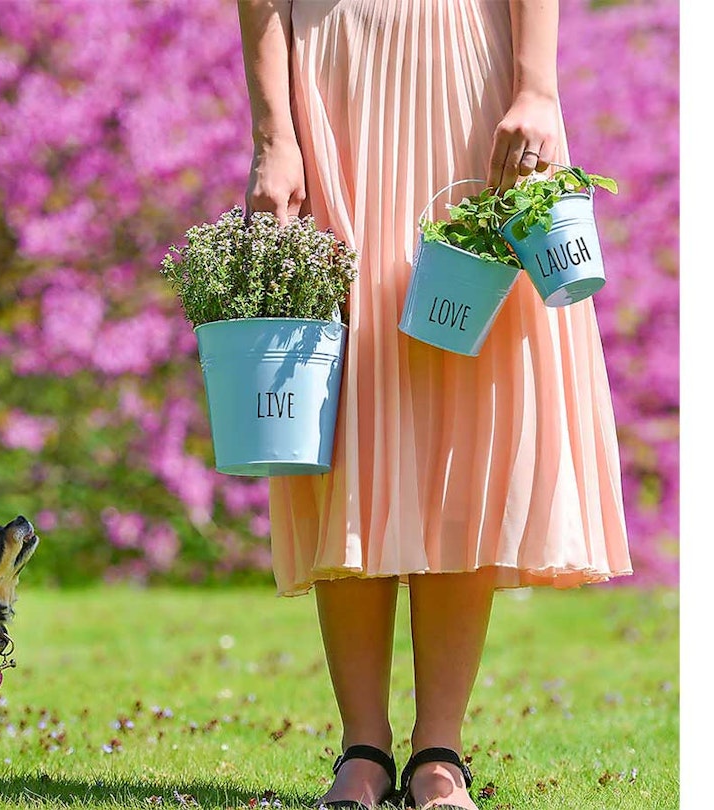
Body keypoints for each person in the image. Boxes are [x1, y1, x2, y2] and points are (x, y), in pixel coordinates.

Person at [235, 1, 632, 808]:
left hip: (466, 79)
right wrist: (275, 136)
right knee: (348, 410)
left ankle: (439, 754)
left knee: (465, 404)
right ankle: (363, 752)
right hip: (334, 83)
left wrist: (536, 89)